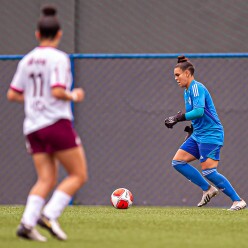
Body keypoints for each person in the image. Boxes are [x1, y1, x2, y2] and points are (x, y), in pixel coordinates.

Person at [7, 5, 88, 241]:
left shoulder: (28, 60)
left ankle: (27, 223)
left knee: (46, 179)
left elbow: (12, 94)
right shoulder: (59, 58)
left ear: (37, 34)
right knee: (78, 174)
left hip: (32, 126)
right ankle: (50, 214)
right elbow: (57, 90)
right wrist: (74, 95)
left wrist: (34, 98)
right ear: (60, 34)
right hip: (55, 122)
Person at [164, 55, 246, 211]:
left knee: (209, 171)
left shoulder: (196, 87)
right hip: (198, 134)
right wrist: (192, 130)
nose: (175, 78)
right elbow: (197, 115)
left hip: (211, 134)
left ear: (187, 73)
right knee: (178, 162)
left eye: (177, 74)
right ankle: (208, 189)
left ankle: (238, 201)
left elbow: (199, 111)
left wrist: (178, 117)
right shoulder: (187, 92)